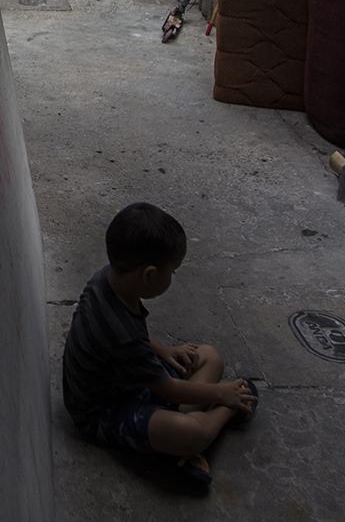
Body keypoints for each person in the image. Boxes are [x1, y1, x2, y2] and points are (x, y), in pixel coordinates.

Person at [61, 201, 257, 487]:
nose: (173, 277)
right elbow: (168, 388)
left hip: (129, 380)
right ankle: (225, 414)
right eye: (173, 271)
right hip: (102, 413)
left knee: (209, 357)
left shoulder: (107, 278)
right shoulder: (121, 332)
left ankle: (180, 443)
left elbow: (130, 342)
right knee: (188, 431)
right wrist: (221, 394)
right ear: (150, 275)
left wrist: (163, 350)